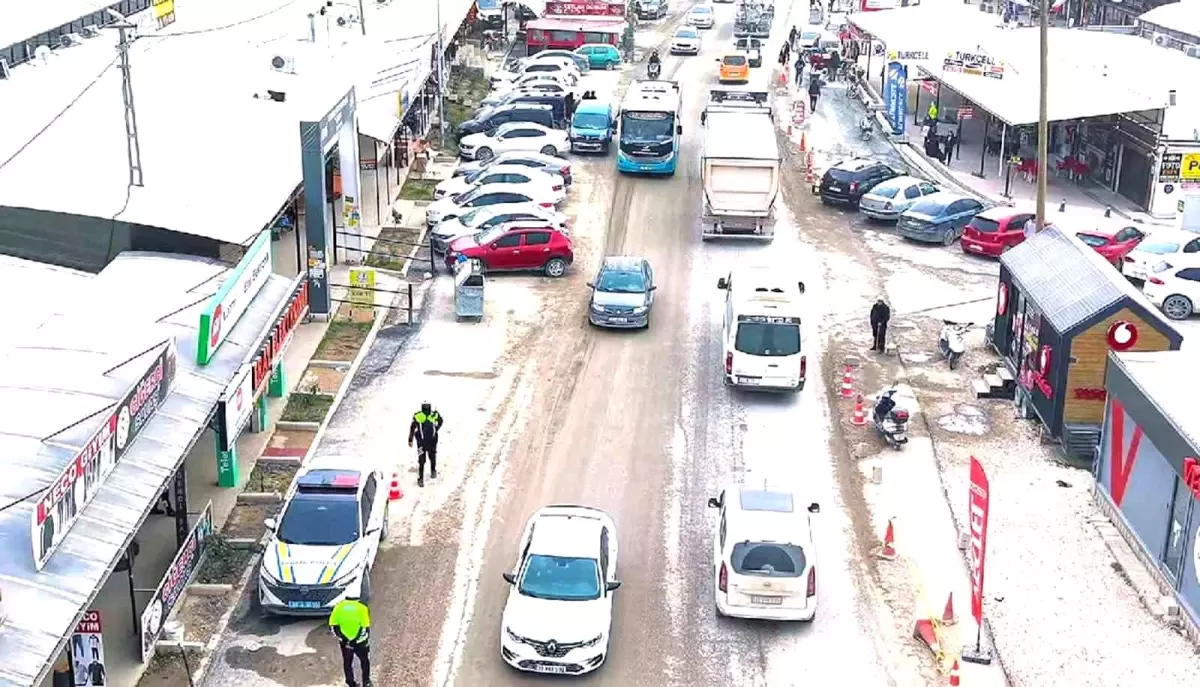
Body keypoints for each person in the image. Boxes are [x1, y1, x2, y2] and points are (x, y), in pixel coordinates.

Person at [329, 594, 372, 687]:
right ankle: (366, 682)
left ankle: (350, 683)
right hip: (360, 642)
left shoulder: (338, 607)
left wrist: (344, 639)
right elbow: (365, 628)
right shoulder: (362, 608)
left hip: (345, 643)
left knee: (347, 663)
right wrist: (355, 640)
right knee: (364, 661)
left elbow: (333, 626)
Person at [408, 402, 443, 487]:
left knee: (425, 459)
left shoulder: (419, 415)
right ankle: (429, 473)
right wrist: (436, 429)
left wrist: (410, 439)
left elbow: (412, 428)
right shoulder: (433, 414)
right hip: (429, 441)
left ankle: (425, 476)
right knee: (428, 458)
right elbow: (441, 421)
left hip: (424, 442)